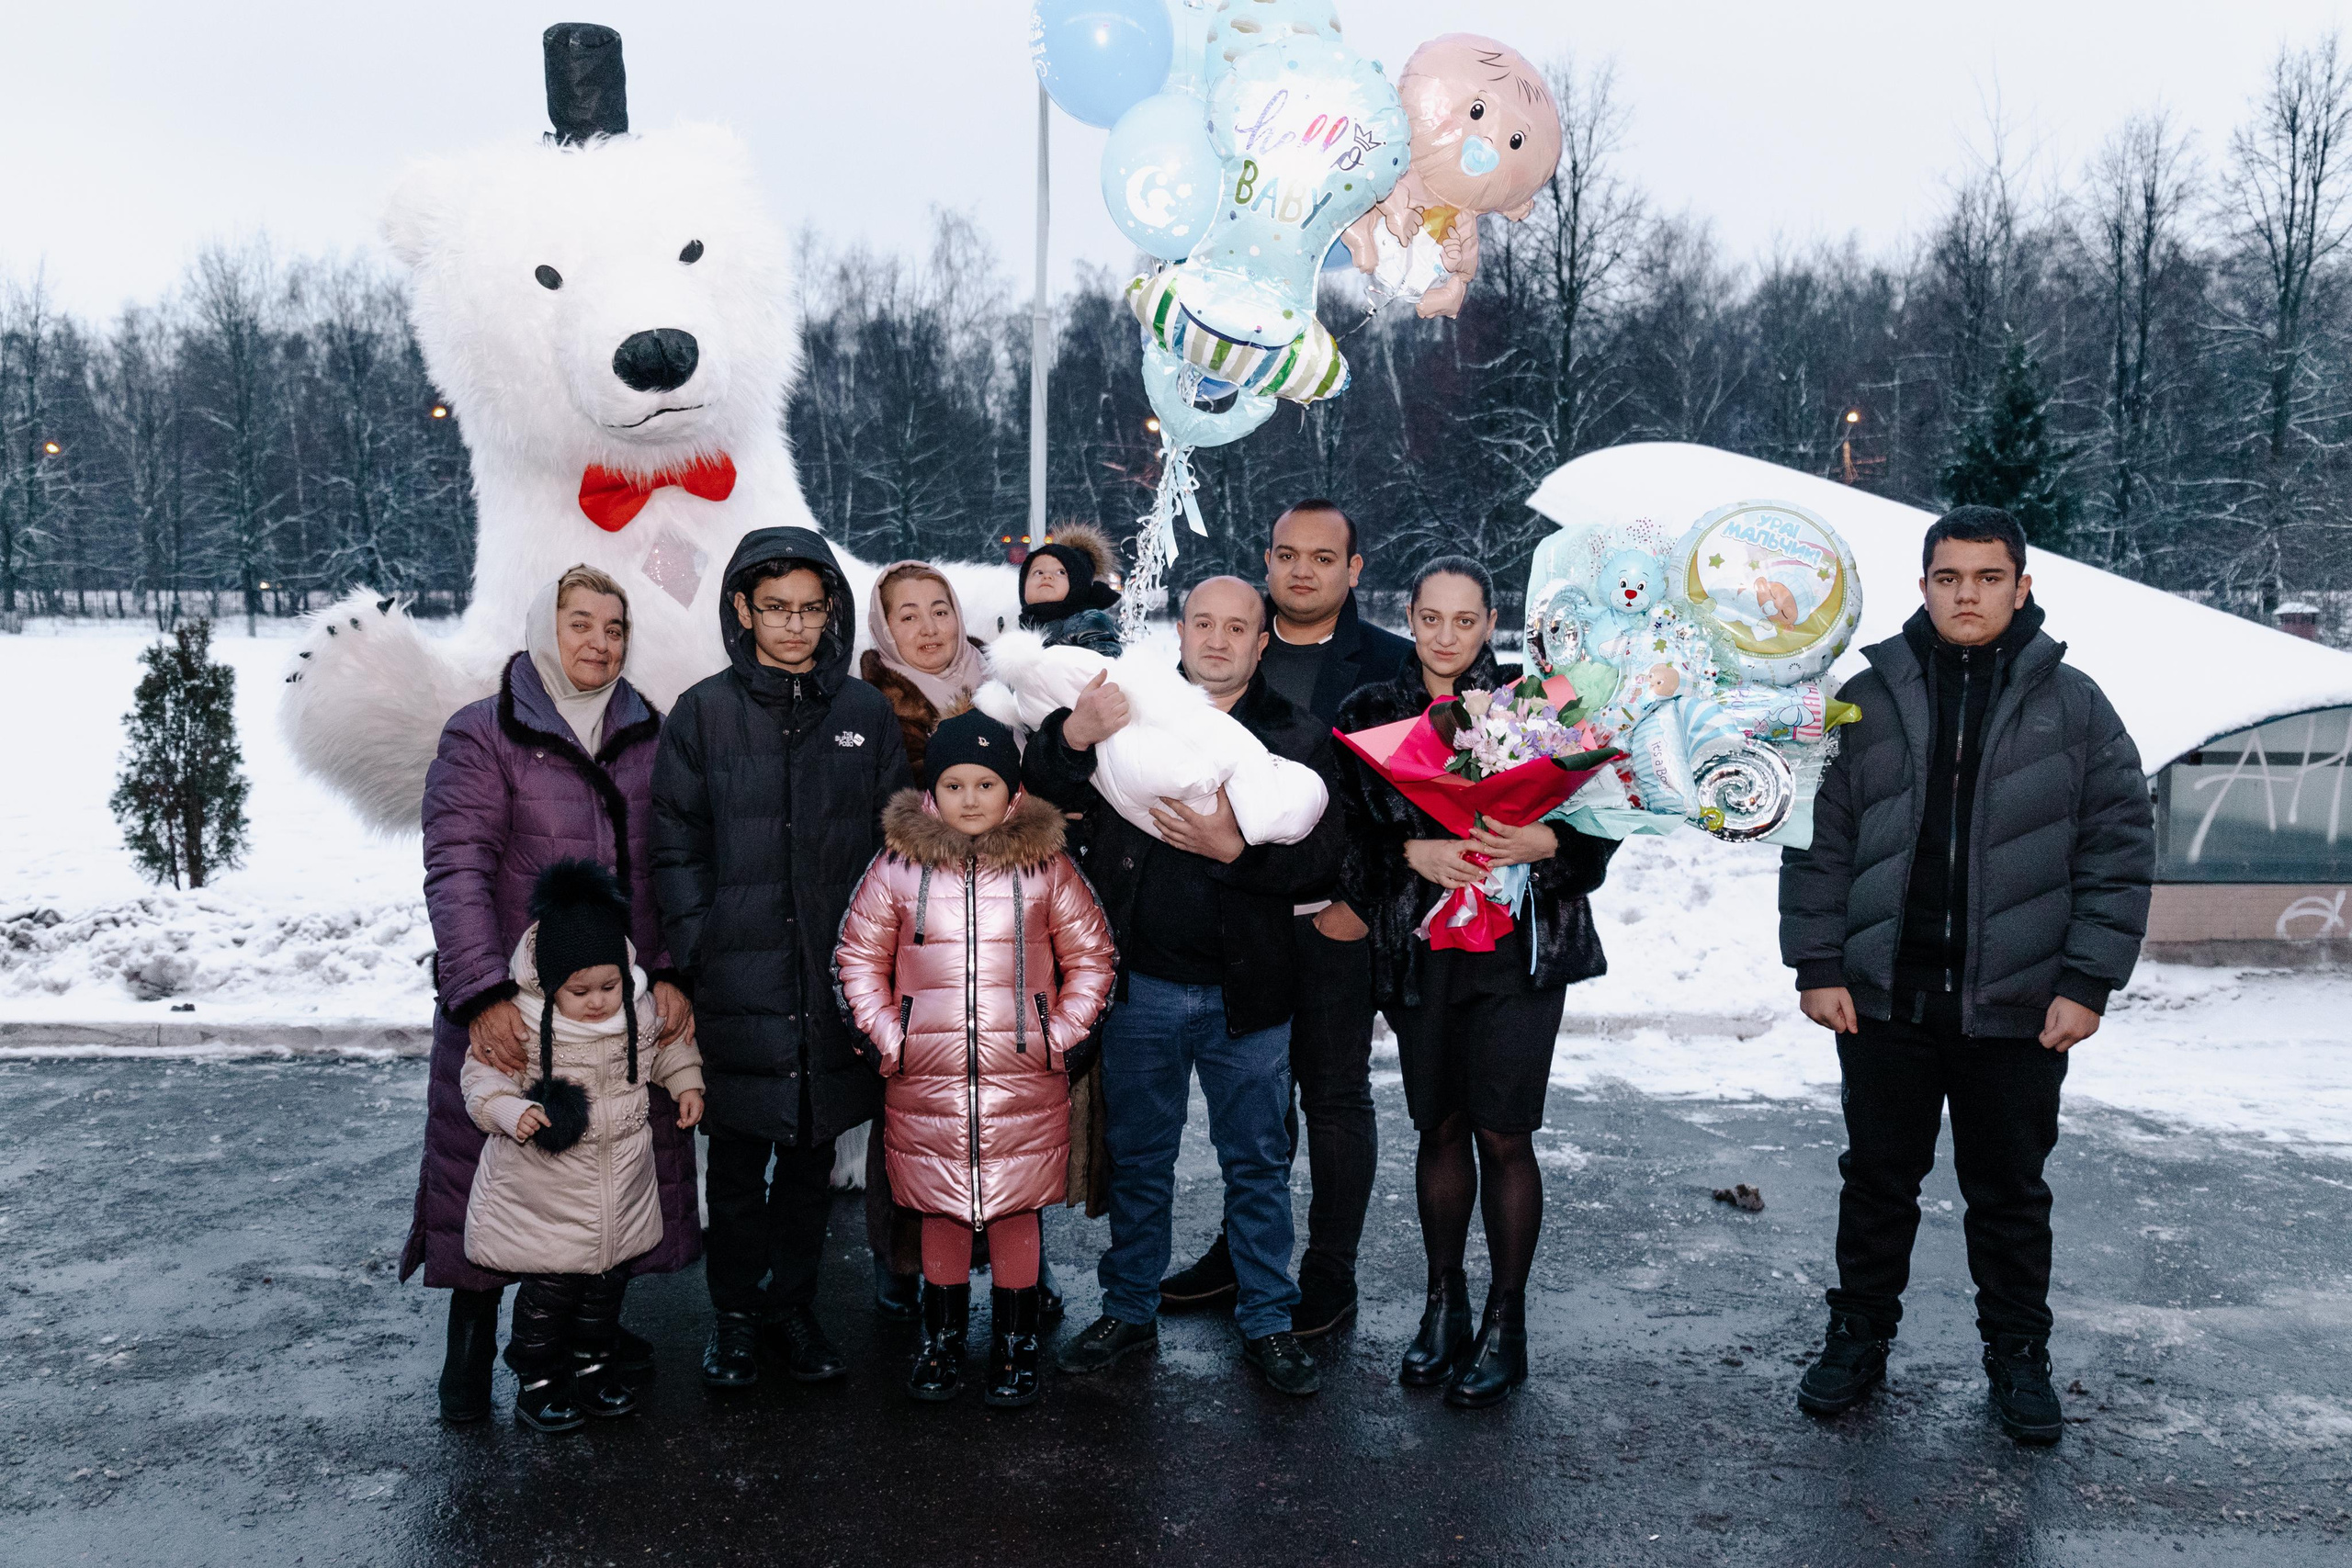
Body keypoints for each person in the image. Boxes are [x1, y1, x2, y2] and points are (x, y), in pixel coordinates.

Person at [1780, 505, 2154, 1445]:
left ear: (2022, 588)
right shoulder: (1862, 699)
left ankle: (2017, 1357)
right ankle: (1857, 1337)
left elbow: (2118, 852)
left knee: (2011, 1195)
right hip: (1885, 1000)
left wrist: (2087, 981)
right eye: (1949, 578)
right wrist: (1818, 962)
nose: (1967, 595)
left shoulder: (2076, 707)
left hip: (2018, 1008)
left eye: (1988, 578)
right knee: (1875, 1183)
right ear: (1922, 588)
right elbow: (1817, 843)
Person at [1024, 576, 1343, 1397]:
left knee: (1259, 1165)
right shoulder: (1134, 701)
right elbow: (1043, 788)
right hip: (1145, 983)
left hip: (1251, 993)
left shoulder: (1295, 734)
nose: (1217, 638)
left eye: (1237, 626)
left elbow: (1325, 857)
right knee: (1140, 1160)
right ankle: (1129, 1309)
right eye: (1202, 621)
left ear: (1261, 641)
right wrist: (1072, 733)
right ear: (1181, 629)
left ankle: (1269, 1321)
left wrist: (1235, 847)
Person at [409, 565, 700, 1427]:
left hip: (618, 1004)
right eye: (580, 623)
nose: (598, 642)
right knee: (493, 1166)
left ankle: (592, 1338)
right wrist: (481, 990)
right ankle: (471, 1348)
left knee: (608, 1167)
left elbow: (673, 865)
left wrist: (674, 971)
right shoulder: (484, 734)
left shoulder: (651, 732)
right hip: (515, 1002)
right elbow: (456, 868)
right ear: (546, 626)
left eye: (614, 627)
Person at [1333, 555, 1618, 1409]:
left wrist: (1553, 847)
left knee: (1504, 1132)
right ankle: (1443, 1301)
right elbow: (1338, 837)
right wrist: (1406, 853)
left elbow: (1603, 828)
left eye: (1465, 621)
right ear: (1409, 615)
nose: (1447, 636)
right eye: (1431, 619)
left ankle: (1507, 1318)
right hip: (1422, 949)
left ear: (1489, 620)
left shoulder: (1540, 709)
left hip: (1519, 951)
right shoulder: (1370, 712)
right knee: (1440, 1125)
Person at [650, 527, 912, 1390]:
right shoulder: (702, 713)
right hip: (739, 980)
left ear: (830, 609)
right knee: (734, 1158)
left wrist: (876, 963)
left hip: (833, 982)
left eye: (809, 608)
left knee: (808, 1154)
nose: (794, 626)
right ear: (742, 610)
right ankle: (732, 1315)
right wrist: (700, 947)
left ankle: (794, 1308)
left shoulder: (864, 715)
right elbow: (675, 846)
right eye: (775, 609)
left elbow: (894, 850)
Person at [1161, 499, 1412, 1337]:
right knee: (1257, 1106)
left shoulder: (1390, 666)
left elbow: (1409, 804)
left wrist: (1361, 902)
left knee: (1334, 1096)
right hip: (1247, 917)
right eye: (1286, 554)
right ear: (1266, 561)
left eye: (1322, 556)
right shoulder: (1225, 656)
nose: (1302, 570)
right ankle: (1245, 1254)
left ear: (1354, 569)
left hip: (1336, 919)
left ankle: (1328, 1272)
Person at [834, 708, 1117, 1406]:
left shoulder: (1046, 867)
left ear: (1012, 792)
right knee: (940, 1209)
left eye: (984, 783)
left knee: (1017, 1210)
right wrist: (888, 1038)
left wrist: (1062, 1036)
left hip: (1022, 1077)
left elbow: (1093, 955)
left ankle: (1017, 1344)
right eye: (954, 783)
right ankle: (943, 1338)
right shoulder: (897, 866)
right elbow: (857, 956)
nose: (969, 798)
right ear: (933, 790)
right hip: (924, 1079)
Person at [459, 861, 707, 1432]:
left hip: (621, 1184)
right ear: (549, 985)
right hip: (546, 1192)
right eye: (580, 991)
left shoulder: (637, 1010)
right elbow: (482, 1079)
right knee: (550, 1292)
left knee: (605, 1287)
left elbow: (663, 1050)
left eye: (608, 986)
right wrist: (511, 1110)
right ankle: (537, 1376)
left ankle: (593, 1365)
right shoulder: (520, 1024)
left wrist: (686, 1078)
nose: (597, 1002)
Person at [1018, 524, 1125, 656]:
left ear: (1077, 586)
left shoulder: (1089, 623)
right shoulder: (1015, 626)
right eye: (1038, 572)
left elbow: (1103, 666)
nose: (1047, 576)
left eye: (1061, 572)